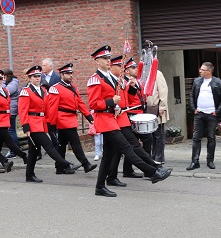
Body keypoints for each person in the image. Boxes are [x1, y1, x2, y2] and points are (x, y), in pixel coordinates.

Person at [87, 45, 171, 197]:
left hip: (114, 117)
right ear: (97, 61)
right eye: (105, 58)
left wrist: (131, 89)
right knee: (127, 148)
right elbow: (93, 104)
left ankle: (100, 186)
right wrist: (111, 102)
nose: (108, 61)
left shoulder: (112, 77)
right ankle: (152, 172)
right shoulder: (95, 79)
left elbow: (126, 96)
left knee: (108, 156)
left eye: (108, 58)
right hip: (105, 120)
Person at [18, 65, 77, 183]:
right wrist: (25, 126)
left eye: (39, 76)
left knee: (34, 151)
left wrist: (51, 123)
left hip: (42, 122)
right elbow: (22, 110)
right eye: (34, 76)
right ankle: (64, 164)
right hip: (32, 123)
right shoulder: (26, 91)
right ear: (29, 78)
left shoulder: (43, 90)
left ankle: (29, 175)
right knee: (49, 145)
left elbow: (48, 108)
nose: (37, 78)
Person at [47, 63, 97, 174]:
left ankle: (59, 168)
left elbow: (80, 103)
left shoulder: (73, 87)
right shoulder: (55, 89)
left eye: (71, 73)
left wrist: (88, 116)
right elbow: (53, 108)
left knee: (62, 144)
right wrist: (52, 123)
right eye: (68, 74)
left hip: (71, 118)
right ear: (61, 75)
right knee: (75, 143)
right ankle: (85, 164)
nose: (70, 76)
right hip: (63, 119)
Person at [186, 62, 221, 170]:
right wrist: (193, 108)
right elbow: (191, 95)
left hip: (212, 114)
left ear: (209, 71)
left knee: (211, 137)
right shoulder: (197, 81)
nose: (200, 71)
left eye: (203, 70)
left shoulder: (218, 82)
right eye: (200, 69)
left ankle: (210, 161)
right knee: (196, 137)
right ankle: (195, 161)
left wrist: (217, 111)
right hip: (199, 113)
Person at [0, 70, 28, 173]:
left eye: (1, 79)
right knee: (9, 140)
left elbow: (8, 104)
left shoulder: (4, 90)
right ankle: (23, 156)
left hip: (5, 118)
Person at [146, 69, 169, 163]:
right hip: (148, 107)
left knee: (158, 135)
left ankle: (159, 157)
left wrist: (162, 106)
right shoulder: (144, 74)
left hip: (156, 106)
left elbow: (163, 90)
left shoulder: (157, 73)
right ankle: (152, 156)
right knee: (150, 135)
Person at [2, 68, 20, 158]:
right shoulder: (9, 82)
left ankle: (14, 151)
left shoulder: (14, 83)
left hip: (11, 109)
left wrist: (1, 84)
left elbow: (5, 92)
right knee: (11, 130)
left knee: (11, 130)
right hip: (9, 108)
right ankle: (14, 150)